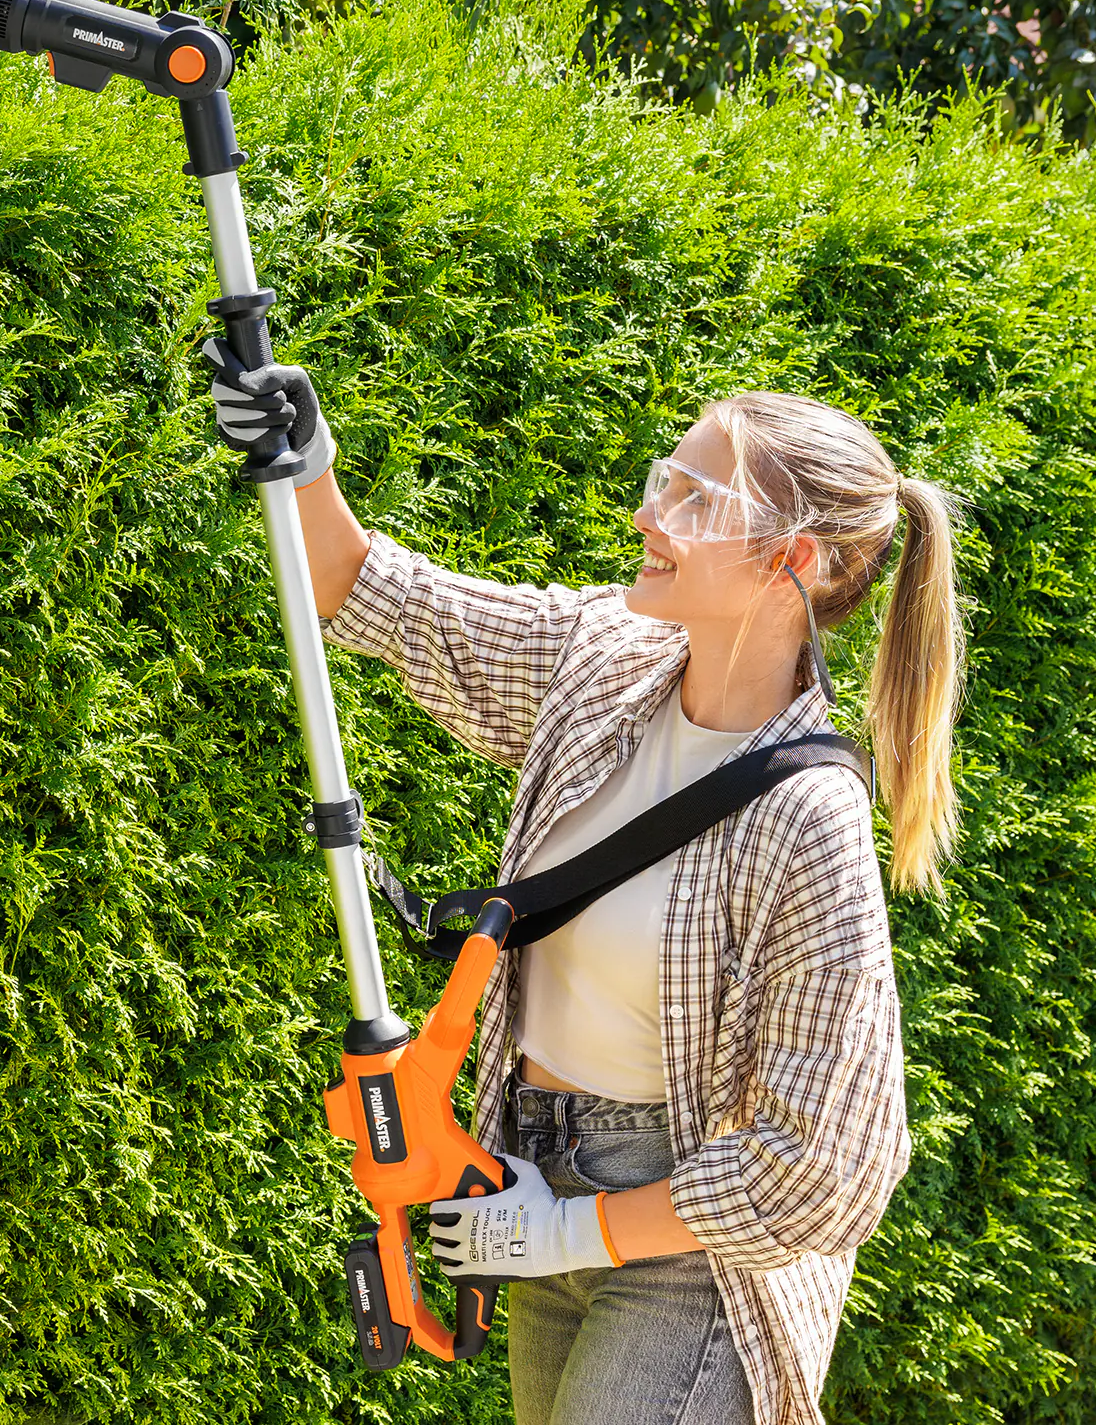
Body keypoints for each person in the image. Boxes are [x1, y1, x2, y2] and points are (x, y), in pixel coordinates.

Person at [205, 351, 961, 1425]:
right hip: (532, 1173)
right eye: (666, 478)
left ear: (788, 558)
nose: (649, 514)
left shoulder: (805, 821)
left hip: (690, 1252)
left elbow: (828, 1167)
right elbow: (378, 598)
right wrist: (304, 462)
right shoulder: (605, 659)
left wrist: (579, 1231)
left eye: (694, 499)